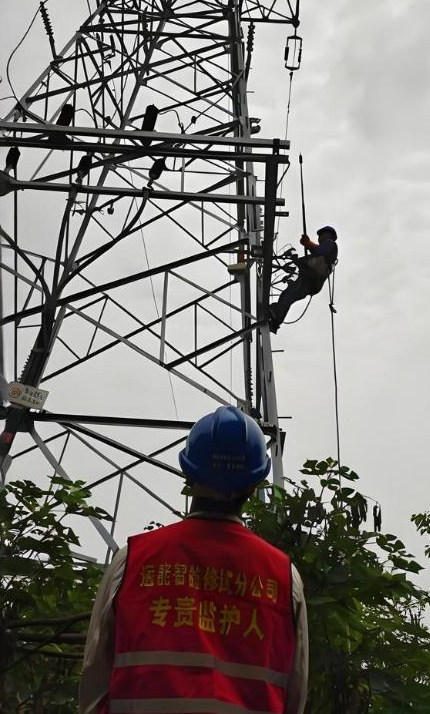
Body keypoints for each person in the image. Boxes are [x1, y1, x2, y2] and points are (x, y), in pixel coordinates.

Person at [78, 405, 309, 714]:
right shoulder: (283, 577)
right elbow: (295, 690)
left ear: (187, 472)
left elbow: (94, 677)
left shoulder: (132, 561)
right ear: (255, 485)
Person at [268, 225, 338, 332]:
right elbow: (315, 254)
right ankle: (275, 319)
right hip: (310, 280)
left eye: (321, 235)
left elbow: (319, 251)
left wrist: (308, 243)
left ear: (328, 234)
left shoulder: (330, 244)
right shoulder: (327, 251)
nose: (319, 238)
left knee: (288, 295)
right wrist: (307, 245)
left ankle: (276, 317)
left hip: (310, 279)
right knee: (288, 296)